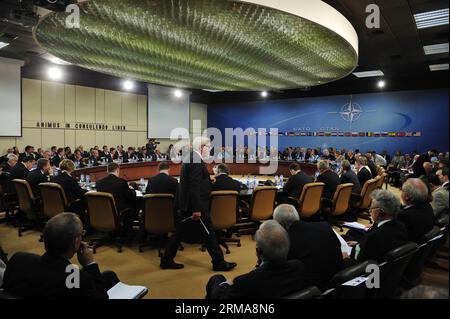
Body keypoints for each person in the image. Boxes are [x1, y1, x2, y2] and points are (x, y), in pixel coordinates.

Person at [160, 137, 236, 271]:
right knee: (208, 232)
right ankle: (218, 262)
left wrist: (207, 180)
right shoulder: (195, 160)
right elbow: (193, 186)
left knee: (180, 233)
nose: (210, 149)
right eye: (208, 147)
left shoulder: (191, 157)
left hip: (188, 203)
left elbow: (195, 181)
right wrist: (196, 209)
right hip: (195, 204)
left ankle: (166, 260)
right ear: (201, 147)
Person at [2, 213, 119, 299]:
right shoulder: (77, 279)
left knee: (109, 276)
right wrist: (89, 264)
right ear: (76, 242)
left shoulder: (18, 259)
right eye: (82, 233)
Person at [205, 220, 305, 299]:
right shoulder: (298, 267)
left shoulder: (245, 282)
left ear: (258, 251)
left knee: (216, 279)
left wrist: (228, 283)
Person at [273, 204, 343, 291]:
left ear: (281, 224)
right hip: (339, 280)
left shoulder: (285, 243)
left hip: (313, 290)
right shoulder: (324, 226)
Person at [345, 190, 408, 263]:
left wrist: (346, 258)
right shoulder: (401, 226)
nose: (369, 211)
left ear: (381, 212)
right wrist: (359, 243)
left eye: (372, 208)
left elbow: (361, 263)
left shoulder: (375, 237)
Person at [95, 163, 138, 232]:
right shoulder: (122, 182)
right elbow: (131, 197)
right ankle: (127, 231)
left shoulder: (99, 183)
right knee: (135, 204)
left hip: (103, 211)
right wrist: (133, 190)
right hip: (118, 210)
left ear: (107, 171)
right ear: (118, 170)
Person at [399, 178, 435, 243]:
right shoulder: (427, 206)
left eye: (402, 190)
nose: (401, 192)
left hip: (411, 248)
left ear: (407, 196)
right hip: (424, 247)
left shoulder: (404, 216)